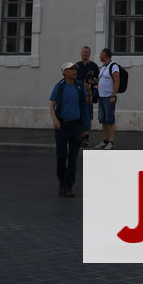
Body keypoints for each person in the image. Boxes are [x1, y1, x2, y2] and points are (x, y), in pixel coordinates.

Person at [49, 62, 89, 197]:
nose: (74, 71)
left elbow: (87, 102)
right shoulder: (59, 87)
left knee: (73, 158)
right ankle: (62, 183)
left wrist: (88, 91)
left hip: (76, 126)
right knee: (61, 157)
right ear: (64, 72)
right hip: (62, 126)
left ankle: (68, 186)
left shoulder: (79, 86)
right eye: (71, 69)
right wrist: (55, 120)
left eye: (75, 69)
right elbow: (52, 106)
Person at [74, 45, 99, 147]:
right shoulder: (76, 66)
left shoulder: (94, 66)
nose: (85, 54)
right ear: (81, 53)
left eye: (87, 52)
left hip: (89, 95)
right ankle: (79, 137)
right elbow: (72, 78)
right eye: (84, 52)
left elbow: (97, 80)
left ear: (89, 54)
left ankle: (86, 138)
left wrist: (92, 82)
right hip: (77, 95)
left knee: (88, 117)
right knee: (78, 117)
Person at [95, 48, 119, 150]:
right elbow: (100, 81)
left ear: (105, 55)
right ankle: (104, 140)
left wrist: (113, 95)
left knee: (110, 120)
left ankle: (111, 142)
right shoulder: (103, 67)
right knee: (103, 119)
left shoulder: (113, 66)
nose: (99, 55)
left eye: (100, 54)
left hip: (109, 97)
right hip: (101, 97)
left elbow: (117, 81)